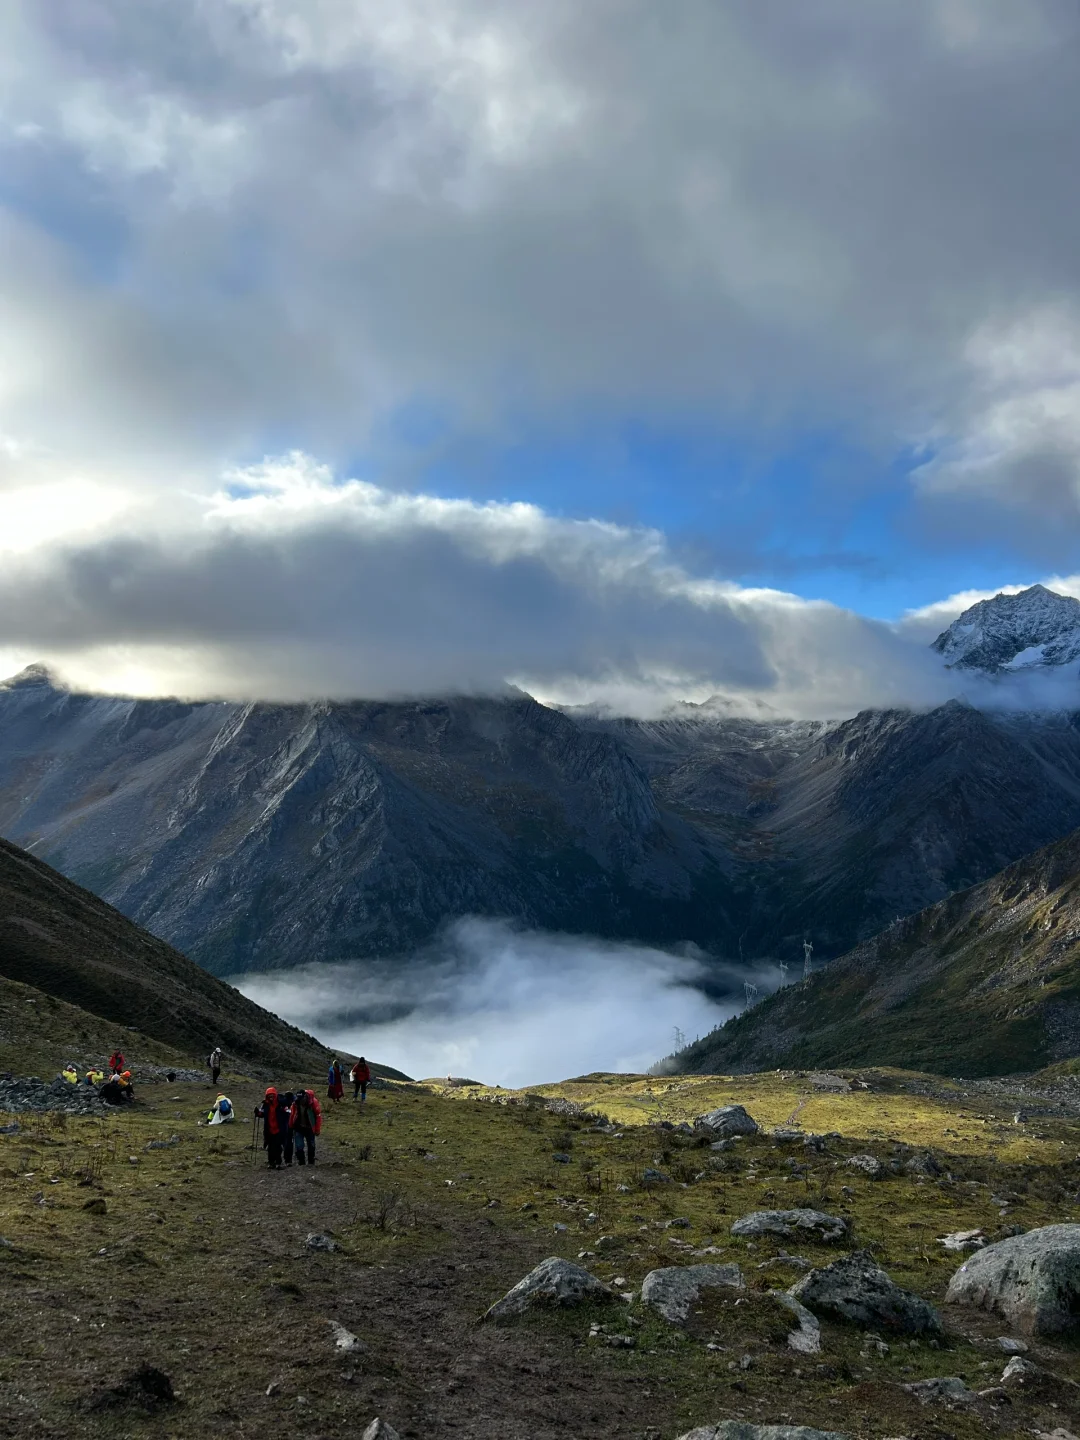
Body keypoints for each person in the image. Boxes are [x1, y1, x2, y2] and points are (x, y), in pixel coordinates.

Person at [254, 1087, 288, 1169]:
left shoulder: (280, 1103)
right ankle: (271, 1162)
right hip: (269, 1129)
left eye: (272, 1096)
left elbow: (287, 1112)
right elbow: (261, 1114)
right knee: (270, 1147)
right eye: (269, 1096)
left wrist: (285, 1111)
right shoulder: (265, 1104)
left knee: (278, 1147)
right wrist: (257, 1113)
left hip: (279, 1129)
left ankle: (278, 1163)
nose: (271, 1097)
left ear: (275, 1095)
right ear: (267, 1096)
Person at [289, 1087, 321, 1166]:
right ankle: (301, 1162)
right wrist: (290, 1125)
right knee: (299, 1145)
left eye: (301, 1099)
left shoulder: (313, 1103)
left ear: (305, 1097)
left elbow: (318, 1116)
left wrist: (317, 1129)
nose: (300, 1101)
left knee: (311, 1145)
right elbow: (292, 1114)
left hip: (309, 1127)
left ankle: (311, 1161)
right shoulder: (295, 1103)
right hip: (299, 1127)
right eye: (299, 1099)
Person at [280, 1092, 296, 1166]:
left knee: (285, 1144)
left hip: (282, 1126)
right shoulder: (293, 1104)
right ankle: (288, 1161)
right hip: (288, 1127)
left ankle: (278, 1161)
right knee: (288, 1143)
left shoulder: (281, 1103)